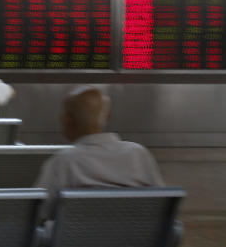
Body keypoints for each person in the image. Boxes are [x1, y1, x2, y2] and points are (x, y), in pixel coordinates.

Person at [35, 86, 164, 200]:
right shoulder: (138, 154)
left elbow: (40, 211)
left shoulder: (63, 162)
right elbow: (160, 204)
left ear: (67, 120)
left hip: (80, 227)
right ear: (106, 116)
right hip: (136, 227)